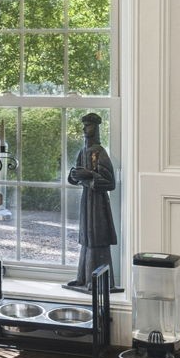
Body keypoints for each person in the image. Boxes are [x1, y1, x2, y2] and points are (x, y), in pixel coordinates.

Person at [66, 112, 118, 291]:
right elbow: (77, 175)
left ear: (95, 128)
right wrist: (73, 175)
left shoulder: (100, 152)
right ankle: (83, 277)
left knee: (97, 237)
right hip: (87, 200)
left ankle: (98, 280)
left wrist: (89, 175)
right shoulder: (83, 152)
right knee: (86, 237)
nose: (84, 129)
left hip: (98, 203)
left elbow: (110, 182)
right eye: (84, 125)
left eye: (87, 125)